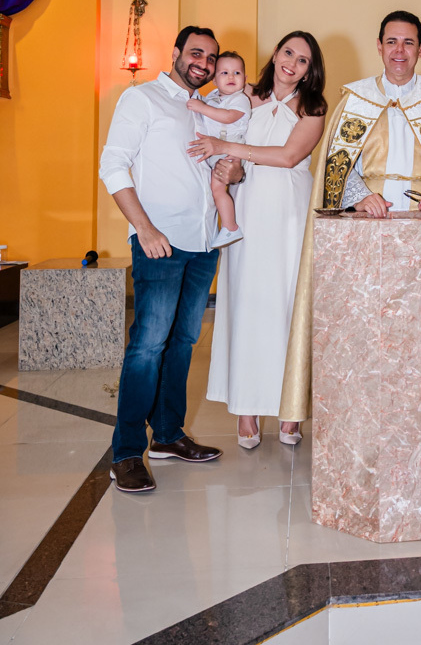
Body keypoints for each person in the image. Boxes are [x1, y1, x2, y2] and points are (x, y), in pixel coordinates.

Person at [278, 9, 421, 426]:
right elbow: (336, 167)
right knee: (366, 327)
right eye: (391, 42)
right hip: (367, 227)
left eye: (408, 42)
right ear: (379, 46)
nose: (399, 51)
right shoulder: (356, 99)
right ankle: (364, 414)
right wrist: (359, 196)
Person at [99, 26, 224, 494]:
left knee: (184, 343)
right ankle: (127, 451)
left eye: (211, 57)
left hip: (203, 244)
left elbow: (209, 168)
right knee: (147, 347)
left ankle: (168, 437)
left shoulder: (205, 109)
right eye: (196, 53)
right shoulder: (143, 99)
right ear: (175, 53)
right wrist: (145, 229)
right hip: (160, 243)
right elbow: (112, 164)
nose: (204, 63)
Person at [189, 32, 327, 448]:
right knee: (248, 304)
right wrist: (226, 163)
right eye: (288, 53)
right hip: (248, 207)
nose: (292, 63)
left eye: (303, 60)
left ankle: (290, 410)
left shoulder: (314, 109)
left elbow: (287, 157)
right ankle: (246, 409)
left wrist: (226, 145)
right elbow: (213, 122)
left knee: (288, 305)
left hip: (290, 212)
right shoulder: (246, 97)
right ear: (275, 54)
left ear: (309, 70)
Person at [187, 51, 251, 249]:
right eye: (224, 73)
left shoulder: (240, 99)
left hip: (230, 151)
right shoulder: (213, 97)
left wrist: (201, 107)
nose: (231, 77)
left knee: (217, 189)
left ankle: (230, 227)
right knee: (213, 189)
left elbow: (228, 117)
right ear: (214, 80)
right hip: (217, 152)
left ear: (245, 79)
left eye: (237, 73)